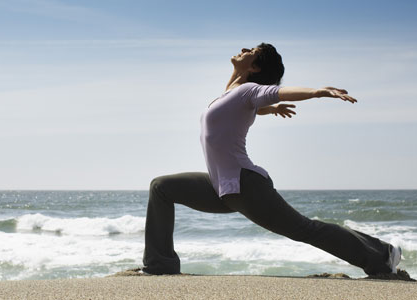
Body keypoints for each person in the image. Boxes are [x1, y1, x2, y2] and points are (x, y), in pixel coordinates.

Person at [141, 43, 401, 276]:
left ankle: (382, 255)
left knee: (305, 229)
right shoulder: (233, 92)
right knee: (161, 187)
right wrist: (270, 110)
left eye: (251, 51)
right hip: (220, 186)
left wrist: (317, 92)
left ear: (254, 67)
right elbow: (242, 107)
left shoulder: (250, 90)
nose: (244, 48)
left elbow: (281, 91)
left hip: (244, 186)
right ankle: (160, 265)